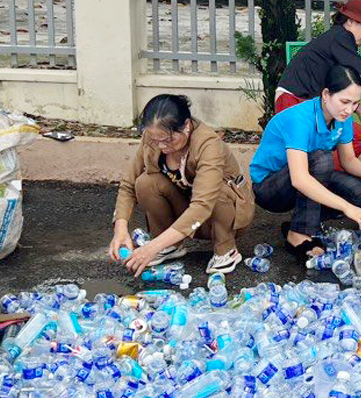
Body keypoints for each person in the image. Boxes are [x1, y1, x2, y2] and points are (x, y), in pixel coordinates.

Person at [251, 65, 361, 261]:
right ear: (326, 94)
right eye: (344, 101)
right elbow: (299, 179)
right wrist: (346, 208)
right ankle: (298, 235)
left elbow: (349, 160)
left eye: (355, 104)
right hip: (270, 188)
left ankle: (300, 222)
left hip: (306, 175)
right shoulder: (299, 119)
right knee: (322, 158)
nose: (349, 110)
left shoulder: (342, 117)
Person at [109, 94, 254, 276]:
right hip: (186, 212)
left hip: (222, 214)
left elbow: (202, 205)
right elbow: (128, 184)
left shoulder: (208, 145)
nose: (161, 146)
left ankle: (226, 250)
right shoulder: (152, 137)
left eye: (168, 140)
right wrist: (120, 230)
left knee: (218, 190)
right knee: (146, 182)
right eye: (155, 140)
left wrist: (151, 247)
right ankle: (171, 245)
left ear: (186, 126)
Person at [275, 0, 361, 169]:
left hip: (309, 104)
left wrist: (358, 108)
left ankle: (327, 176)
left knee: (359, 136)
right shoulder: (341, 37)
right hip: (294, 101)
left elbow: (338, 85)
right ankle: (320, 178)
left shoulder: (337, 42)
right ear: (351, 21)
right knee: (298, 157)